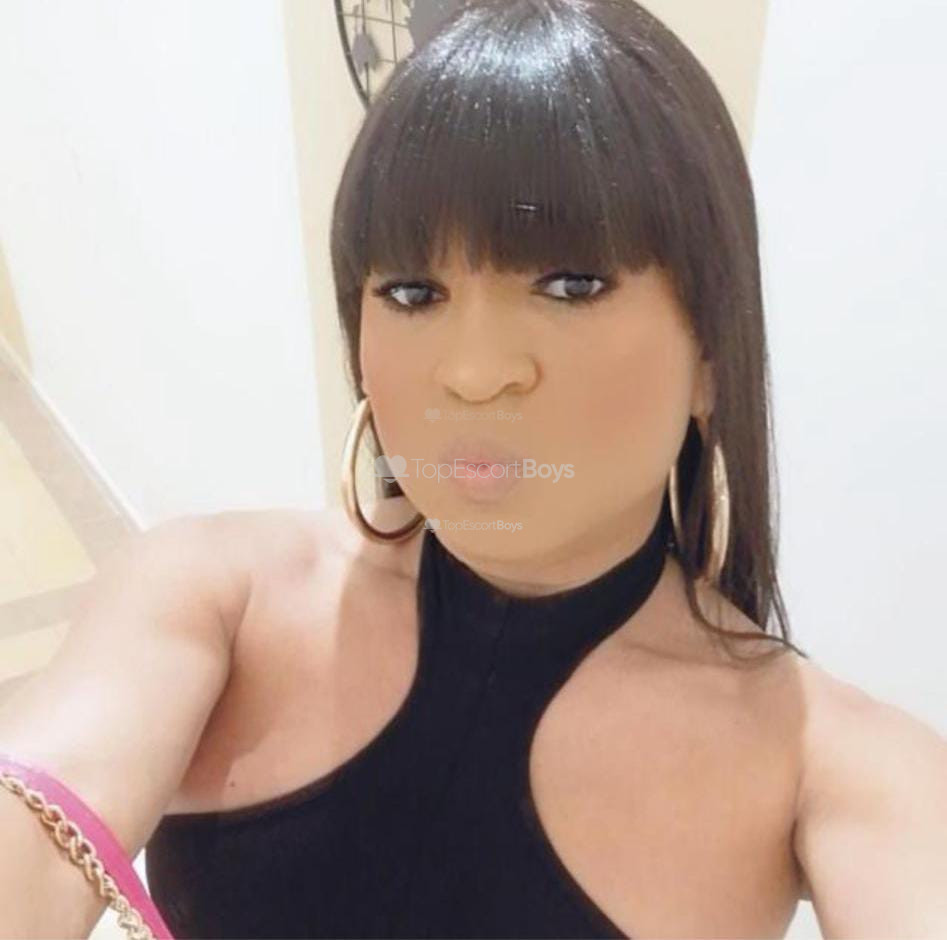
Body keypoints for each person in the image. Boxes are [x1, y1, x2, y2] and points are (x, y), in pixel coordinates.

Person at [2, 0, 945, 937]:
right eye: (413, 292)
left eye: (570, 283)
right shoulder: (212, 594)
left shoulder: (831, 765)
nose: (474, 371)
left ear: (709, 353)